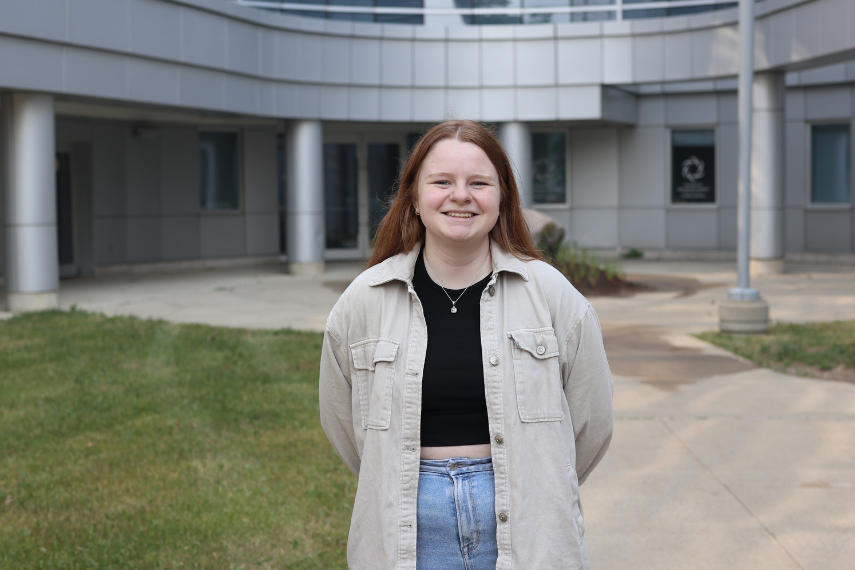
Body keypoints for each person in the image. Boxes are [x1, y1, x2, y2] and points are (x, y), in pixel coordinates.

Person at [319, 120, 613, 570]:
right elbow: (343, 422)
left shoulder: (552, 295)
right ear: (414, 198)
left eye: (479, 182)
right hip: (409, 535)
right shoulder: (365, 300)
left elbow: (592, 422)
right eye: (442, 182)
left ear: (502, 198)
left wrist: (539, 473)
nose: (461, 195)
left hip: (529, 533)